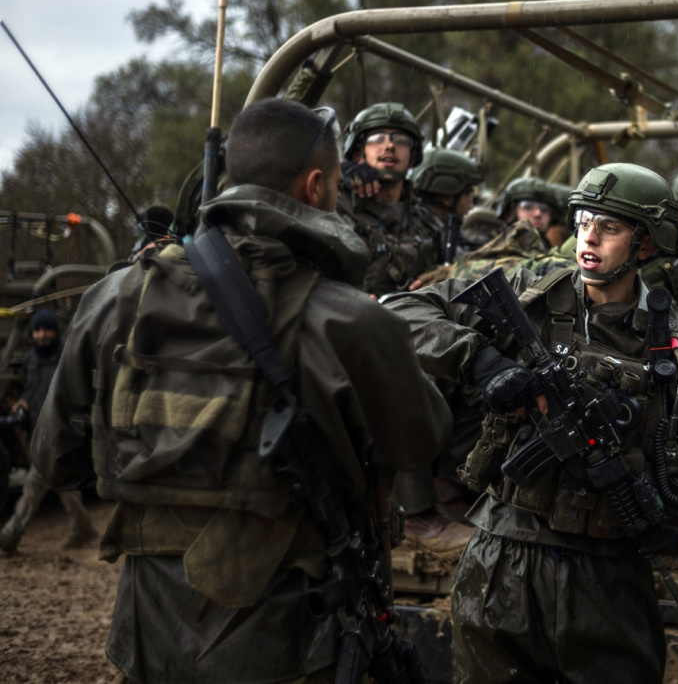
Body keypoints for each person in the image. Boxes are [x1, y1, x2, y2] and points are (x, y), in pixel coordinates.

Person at [31, 98, 453, 683]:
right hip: (291, 637)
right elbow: (420, 439)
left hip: (148, 638)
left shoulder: (113, 298)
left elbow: (55, 460)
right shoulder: (353, 322)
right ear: (315, 186)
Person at [388, 162, 678, 684]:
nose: (588, 238)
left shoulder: (671, 351)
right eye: (582, 222)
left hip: (610, 575)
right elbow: (401, 310)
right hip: (502, 556)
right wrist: (481, 361)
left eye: (609, 227)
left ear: (645, 244)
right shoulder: (528, 293)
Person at [0, 310, 96, 555]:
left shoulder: (67, 358)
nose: (42, 335)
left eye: (46, 330)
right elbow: (32, 389)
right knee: (62, 484)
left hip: (61, 431)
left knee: (34, 484)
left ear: (55, 331)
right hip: (39, 429)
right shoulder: (32, 358)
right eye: (37, 331)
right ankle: (84, 528)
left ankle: (10, 534)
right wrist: (23, 401)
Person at [337, 101, 440, 297]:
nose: (390, 146)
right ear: (358, 153)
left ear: (413, 156)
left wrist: (445, 274)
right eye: (377, 138)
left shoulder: (425, 220)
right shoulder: (335, 208)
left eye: (401, 140)